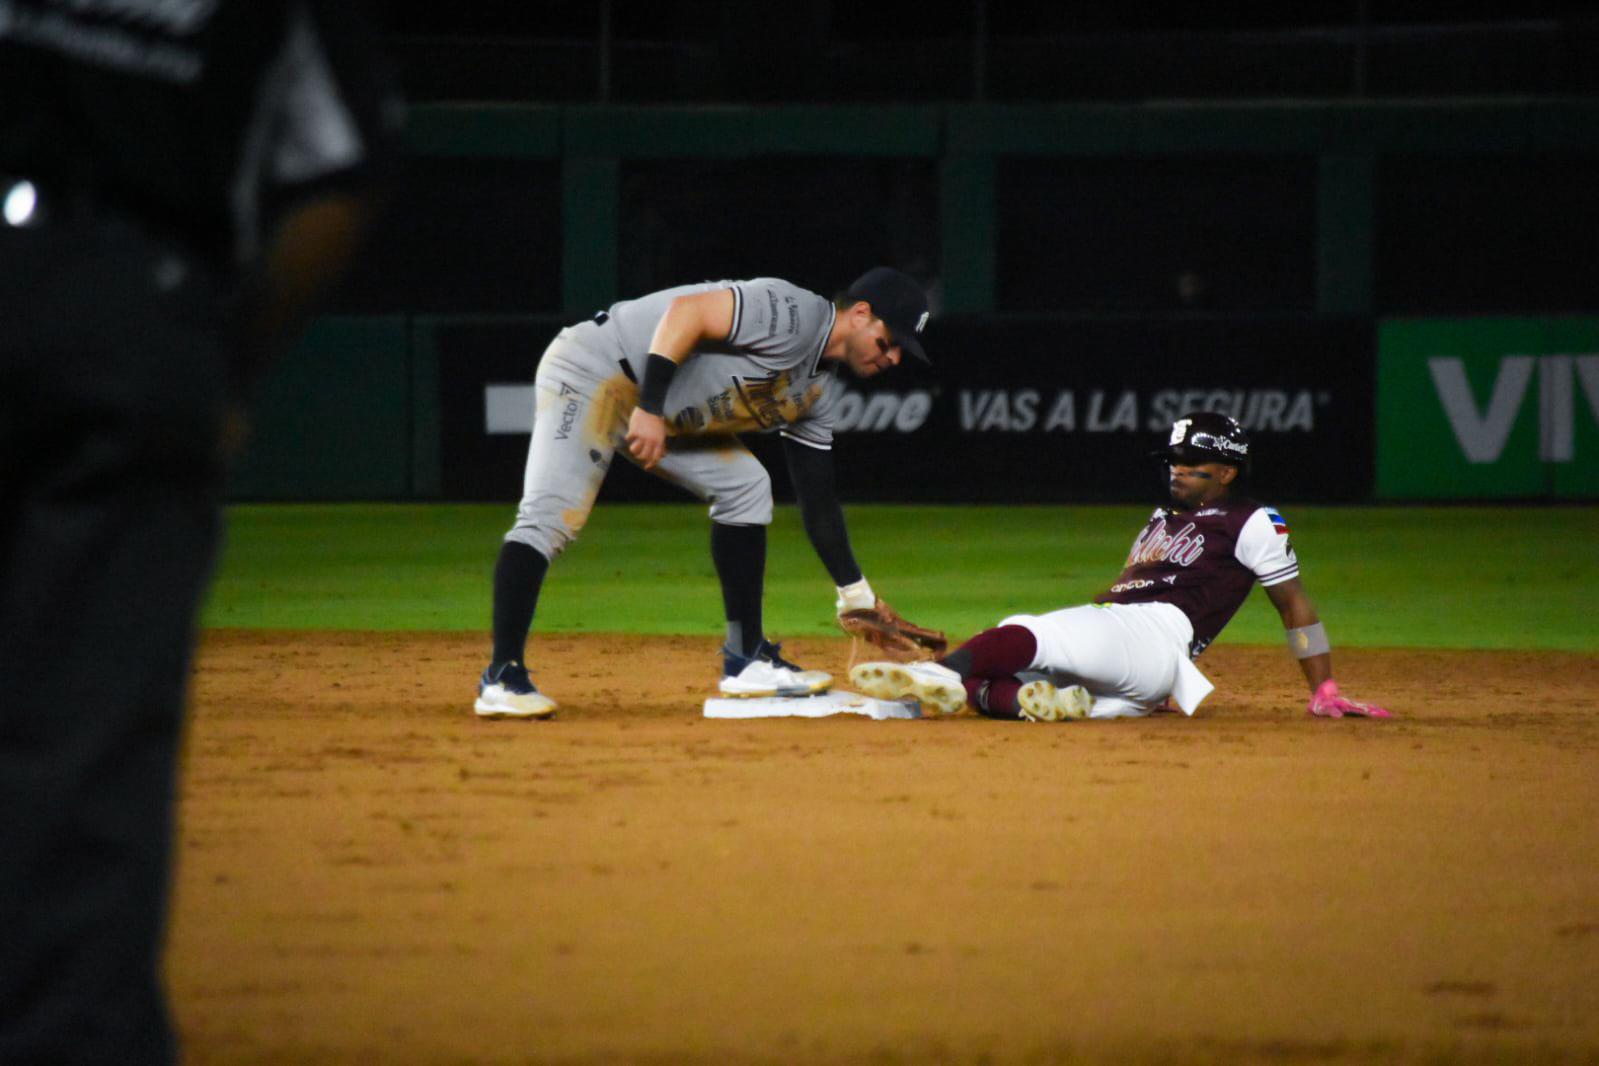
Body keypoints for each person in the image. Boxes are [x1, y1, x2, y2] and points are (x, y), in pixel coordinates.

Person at [0, 4, 400, 1062]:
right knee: (88, 731)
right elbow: (339, 175)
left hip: (108, 304)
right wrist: (219, 362)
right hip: (128, 311)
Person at [477, 268, 936, 719]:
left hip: (661, 409)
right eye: (889, 340)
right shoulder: (793, 312)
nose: (893, 357)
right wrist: (650, 407)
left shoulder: (818, 391)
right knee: (549, 516)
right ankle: (502, 677)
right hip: (594, 368)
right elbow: (688, 313)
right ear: (859, 314)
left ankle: (746, 658)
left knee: (748, 487)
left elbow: (817, 499)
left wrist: (855, 593)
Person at [850, 412, 1392, 722]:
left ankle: (933, 677)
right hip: (1138, 662)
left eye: (1192, 465)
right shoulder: (1164, 516)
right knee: (1001, 673)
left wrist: (1322, 687)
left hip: (1157, 636)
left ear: (1227, 471)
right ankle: (1049, 704)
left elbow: (1293, 602)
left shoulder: (1251, 519)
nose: (1177, 471)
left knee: (1027, 630)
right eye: (1173, 462)